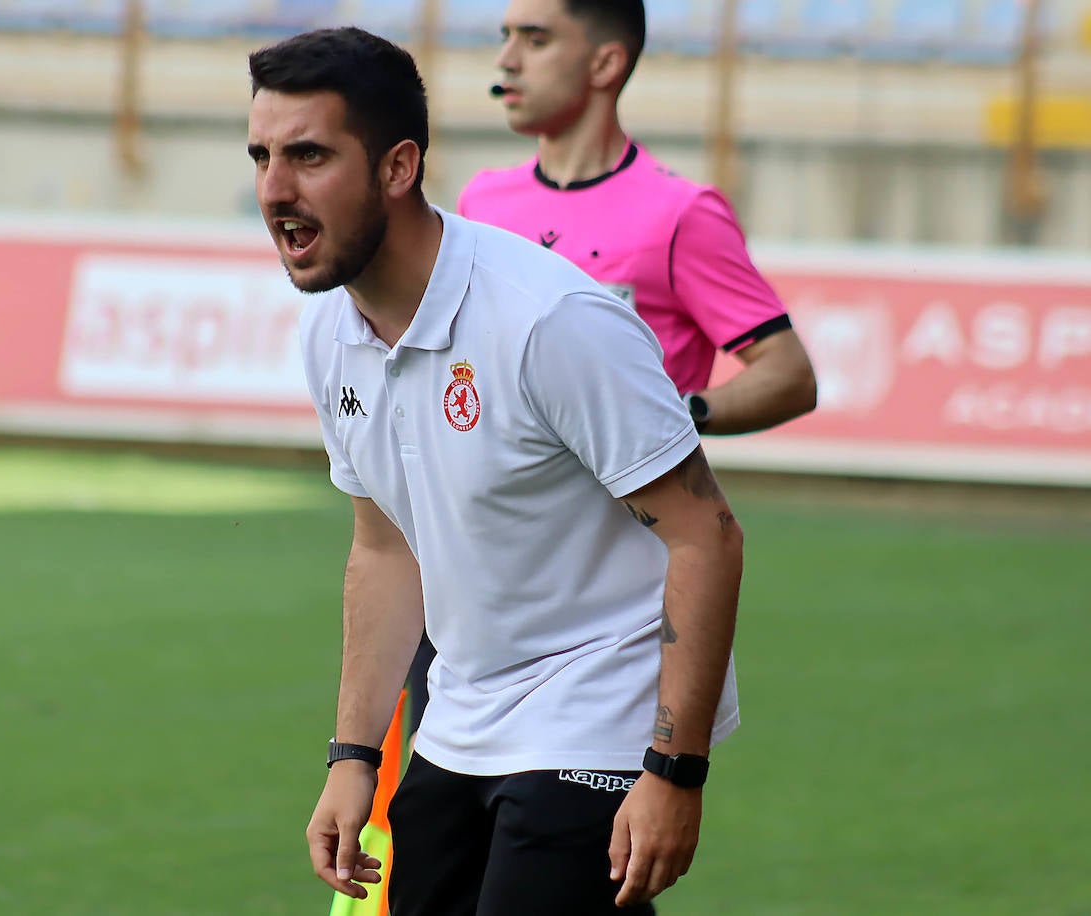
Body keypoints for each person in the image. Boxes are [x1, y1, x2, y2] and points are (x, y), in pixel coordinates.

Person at [247, 26, 744, 916]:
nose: (275, 190)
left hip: (599, 713)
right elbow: (386, 552)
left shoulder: (548, 320)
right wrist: (354, 757)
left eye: (310, 156)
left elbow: (705, 533)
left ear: (398, 169)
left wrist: (674, 769)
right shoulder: (330, 334)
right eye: (263, 156)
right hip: (460, 720)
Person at [403, 0, 818, 745]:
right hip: (473, 593)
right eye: (503, 38)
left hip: (598, 616)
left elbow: (788, 371)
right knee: (420, 853)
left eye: (534, 39)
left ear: (605, 63)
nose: (505, 60)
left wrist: (674, 419)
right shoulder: (480, 203)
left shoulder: (679, 212)